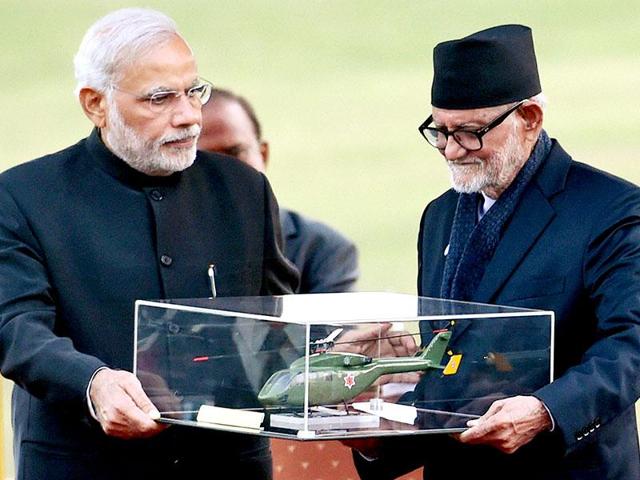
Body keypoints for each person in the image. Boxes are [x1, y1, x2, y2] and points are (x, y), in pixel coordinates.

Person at [0, 8, 298, 480]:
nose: (188, 117)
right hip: (83, 465)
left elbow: (277, 316)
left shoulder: (243, 189)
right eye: (159, 98)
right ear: (95, 103)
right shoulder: (21, 196)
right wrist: (92, 384)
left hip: (226, 465)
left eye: (192, 91)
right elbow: (15, 325)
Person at [353, 24, 640, 479]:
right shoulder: (440, 216)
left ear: (529, 118)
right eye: (439, 130)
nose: (451, 149)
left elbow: (631, 343)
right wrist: (375, 439)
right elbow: (447, 362)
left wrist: (545, 410)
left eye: (469, 132)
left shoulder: (611, 210)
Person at [198, 88, 359, 294]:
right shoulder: (160, 248)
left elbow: (335, 326)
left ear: (263, 154)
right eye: (205, 159)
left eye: (235, 153)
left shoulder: (320, 249)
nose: (226, 171)